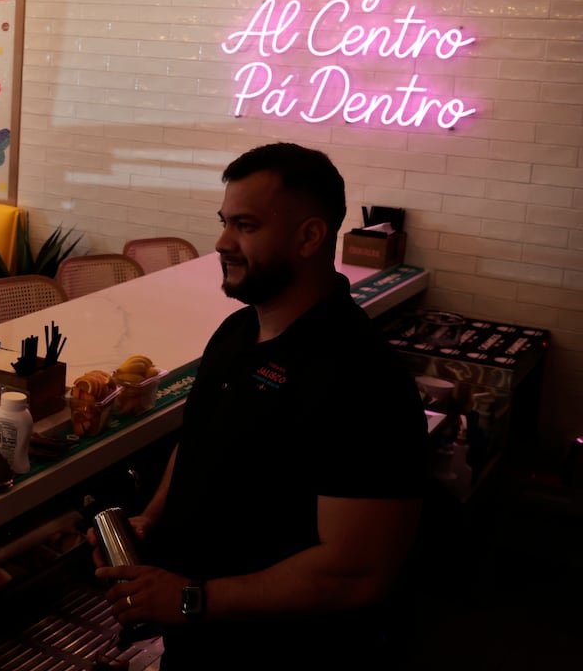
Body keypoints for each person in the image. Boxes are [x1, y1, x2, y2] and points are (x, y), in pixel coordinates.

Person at [95, 142, 427, 670]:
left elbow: (356, 573)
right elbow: (201, 439)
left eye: (245, 226)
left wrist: (192, 597)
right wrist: (152, 520)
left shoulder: (362, 378)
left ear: (310, 236)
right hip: (200, 639)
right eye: (225, 221)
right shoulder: (237, 331)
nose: (222, 242)